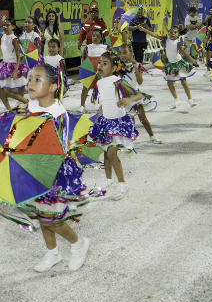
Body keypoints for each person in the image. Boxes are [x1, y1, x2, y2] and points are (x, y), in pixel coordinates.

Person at [13, 65, 90, 272]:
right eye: (30, 79)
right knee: (41, 214)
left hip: (52, 171)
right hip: (32, 168)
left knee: (52, 219)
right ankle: (52, 253)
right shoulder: (30, 106)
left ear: (53, 86)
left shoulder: (57, 113)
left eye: (37, 79)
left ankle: (78, 244)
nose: (30, 83)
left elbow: (56, 149)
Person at [88, 52, 142, 200]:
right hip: (105, 121)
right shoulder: (99, 82)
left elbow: (139, 95)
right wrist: (98, 117)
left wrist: (127, 100)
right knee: (106, 151)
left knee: (112, 153)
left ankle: (123, 183)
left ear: (113, 68)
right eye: (100, 62)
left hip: (118, 123)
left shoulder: (118, 81)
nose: (100, 66)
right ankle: (109, 179)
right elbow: (104, 103)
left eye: (105, 63)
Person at [139, 24, 199, 110]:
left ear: (178, 34)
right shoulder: (166, 40)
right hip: (170, 64)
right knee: (169, 83)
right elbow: (155, 35)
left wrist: (191, 59)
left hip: (179, 63)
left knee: (183, 81)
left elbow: (184, 52)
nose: (172, 34)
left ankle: (190, 100)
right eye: (171, 32)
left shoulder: (178, 42)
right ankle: (177, 100)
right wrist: (144, 30)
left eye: (175, 32)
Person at [117, 43, 161, 143]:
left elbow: (140, 82)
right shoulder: (118, 67)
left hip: (135, 95)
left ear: (131, 53)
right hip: (123, 95)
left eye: (125, 52)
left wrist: (135, 67)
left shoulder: (138, 65)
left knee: (142, 116)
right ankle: (124, 139)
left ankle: (152, 136)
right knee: (123, 118)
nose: (122, 55)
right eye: (120, 53)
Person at [0, 17, 29, 110]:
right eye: (4, 25)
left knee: (6, 91)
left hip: (12, 65)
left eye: (7, 25)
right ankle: (9, 109)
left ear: (13, 27)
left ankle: (26, 101)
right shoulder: (2, 36)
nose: (5, 27)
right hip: (4, 65)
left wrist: (16, 70)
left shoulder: (14, 39)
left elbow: (18, 57)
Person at [79, 28, 112, 113]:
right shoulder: (87, 48)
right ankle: (82, 105)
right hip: (90, 71)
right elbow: (84, 60)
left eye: (97, 36)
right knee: (85, 88)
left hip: (102, 72)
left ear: (101, 37)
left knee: (102, 88)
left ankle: (103, 105)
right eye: (93, 36)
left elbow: (109, 61)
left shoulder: (106, 48)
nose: (95, 38)